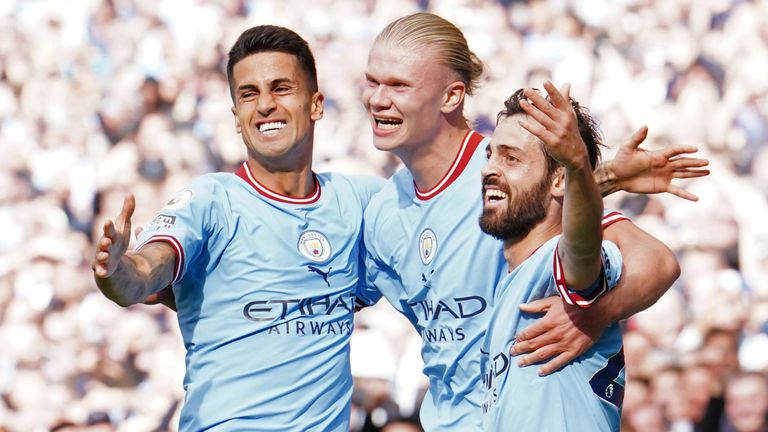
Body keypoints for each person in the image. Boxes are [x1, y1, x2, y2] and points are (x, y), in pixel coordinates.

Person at [358, 12, 708, 431]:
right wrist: (603, 177)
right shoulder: (384, 211)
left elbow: (655, 261)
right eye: (372, 81)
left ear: (451, 96)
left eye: (398, 85)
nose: (378, 99)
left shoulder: (504, 176)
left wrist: (589, 316)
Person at [92, 25, 382, 431]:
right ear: (236, 116)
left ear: (316, 104)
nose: (264, 104)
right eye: (249, 94)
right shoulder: (212, 200)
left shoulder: (362, 203)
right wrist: (117, 268)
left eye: (281, 88)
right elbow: (142, 273)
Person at [480, 85, 625, 430]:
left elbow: (582, 250)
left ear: (559, 180)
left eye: (510, 158)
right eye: (490, 155)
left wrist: (577, 164)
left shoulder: (553, 267)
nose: (488, 169)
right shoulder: (506, 284)